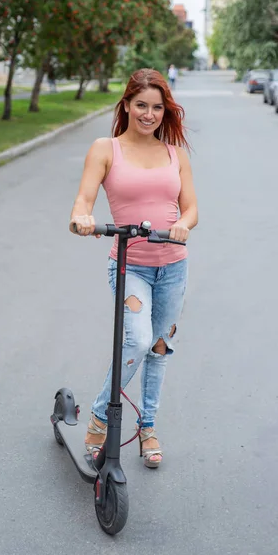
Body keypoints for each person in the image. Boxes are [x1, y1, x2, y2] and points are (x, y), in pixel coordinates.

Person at [69, 68, 198, 468]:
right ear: (126, 105)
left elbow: (192, 208)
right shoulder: (105, 149)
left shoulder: (175, 154)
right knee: (139, 341)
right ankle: (99, 420)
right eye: (141, 105)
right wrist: (83, 218)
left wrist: (182, 224)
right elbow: (83, 200)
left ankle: (149, 427)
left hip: (173, 266)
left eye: (157, 107)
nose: (149, 114)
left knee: (160, 347)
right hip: (131, 267)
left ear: (166, 111)